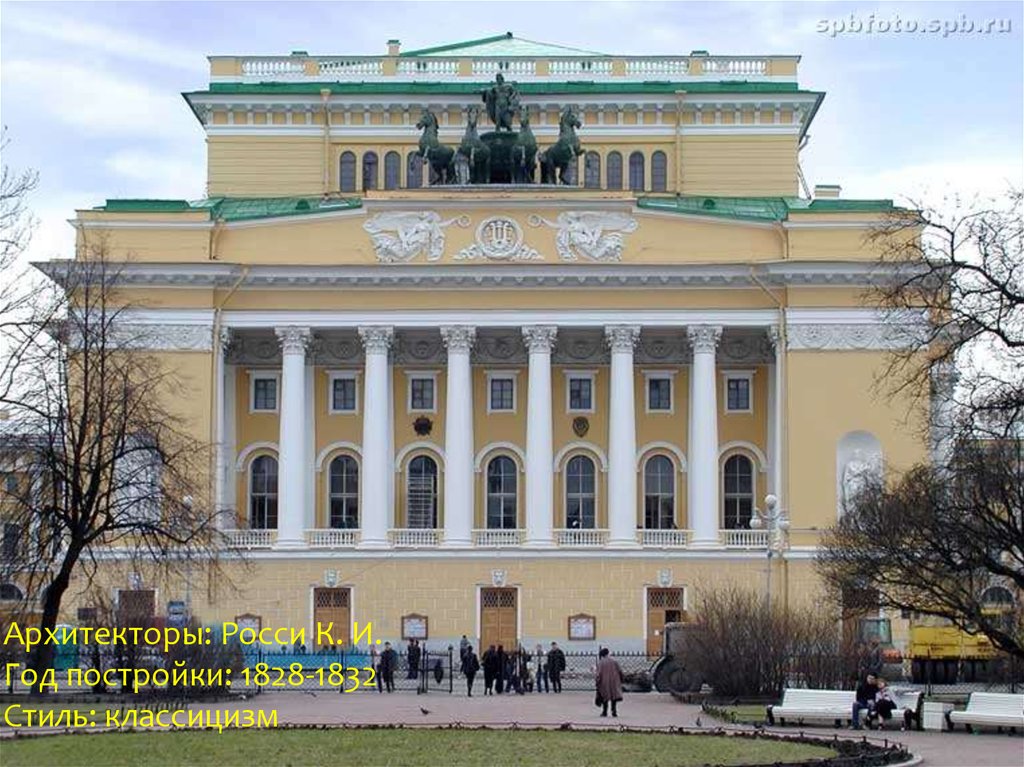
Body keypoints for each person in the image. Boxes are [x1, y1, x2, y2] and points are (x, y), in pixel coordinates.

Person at [595, 647, 624, 718]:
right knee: (614, 697)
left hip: (604, 682)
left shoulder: (601, 663)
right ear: (608, 653)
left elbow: (598, 674)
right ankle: (614, 711)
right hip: (614, 681)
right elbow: (620, 671)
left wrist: (597, 682)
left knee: (605, 697)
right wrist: (622, 679)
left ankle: (604, 712)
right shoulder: (614, 661)